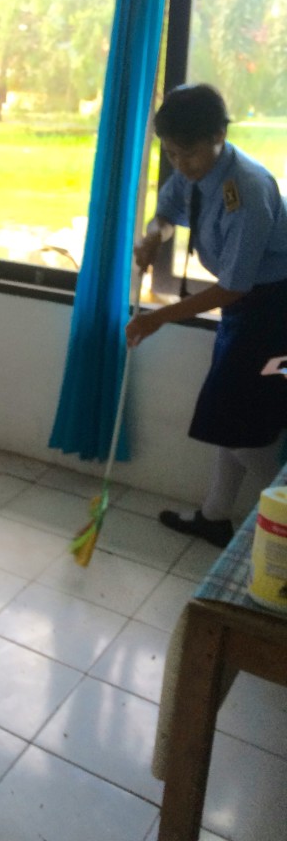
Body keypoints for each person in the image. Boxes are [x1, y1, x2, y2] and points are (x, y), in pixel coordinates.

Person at [126, 83, 287, 547]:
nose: (181, 164)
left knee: (244, 430)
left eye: (189, 154)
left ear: (219, 135)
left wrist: (159, 317)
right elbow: (170, 210)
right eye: (171, 154)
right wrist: (155, 234)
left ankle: (281, 509)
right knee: (229, 421)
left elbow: (235, 286)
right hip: (247, 310)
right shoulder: (196, 171)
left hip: (273, 313)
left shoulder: (247, 190)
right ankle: (215, 516)